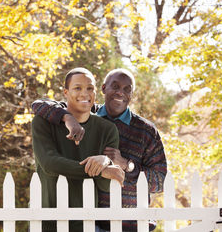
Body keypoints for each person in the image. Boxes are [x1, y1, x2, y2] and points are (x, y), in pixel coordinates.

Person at [32, 68, 167, 232]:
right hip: (94, 222)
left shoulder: (146, 131)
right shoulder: (86, 112)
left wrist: (126, 165)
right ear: (103, 89)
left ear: (132, 93)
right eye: (115, 86)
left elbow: (161, 181)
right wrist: (68, 118)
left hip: (133, 225)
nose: (120, 93)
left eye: (127, 89)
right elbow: (39, 105)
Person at [32, 67, 125, 232]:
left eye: (90, 88)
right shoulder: (43, 122)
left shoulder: (107, 129)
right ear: (66, 92)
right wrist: (100, 170)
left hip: (86, 224)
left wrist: (106, 163)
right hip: (46, 223)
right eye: (77, 88)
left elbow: (105, 184)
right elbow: (49, 163)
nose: (85, 93)